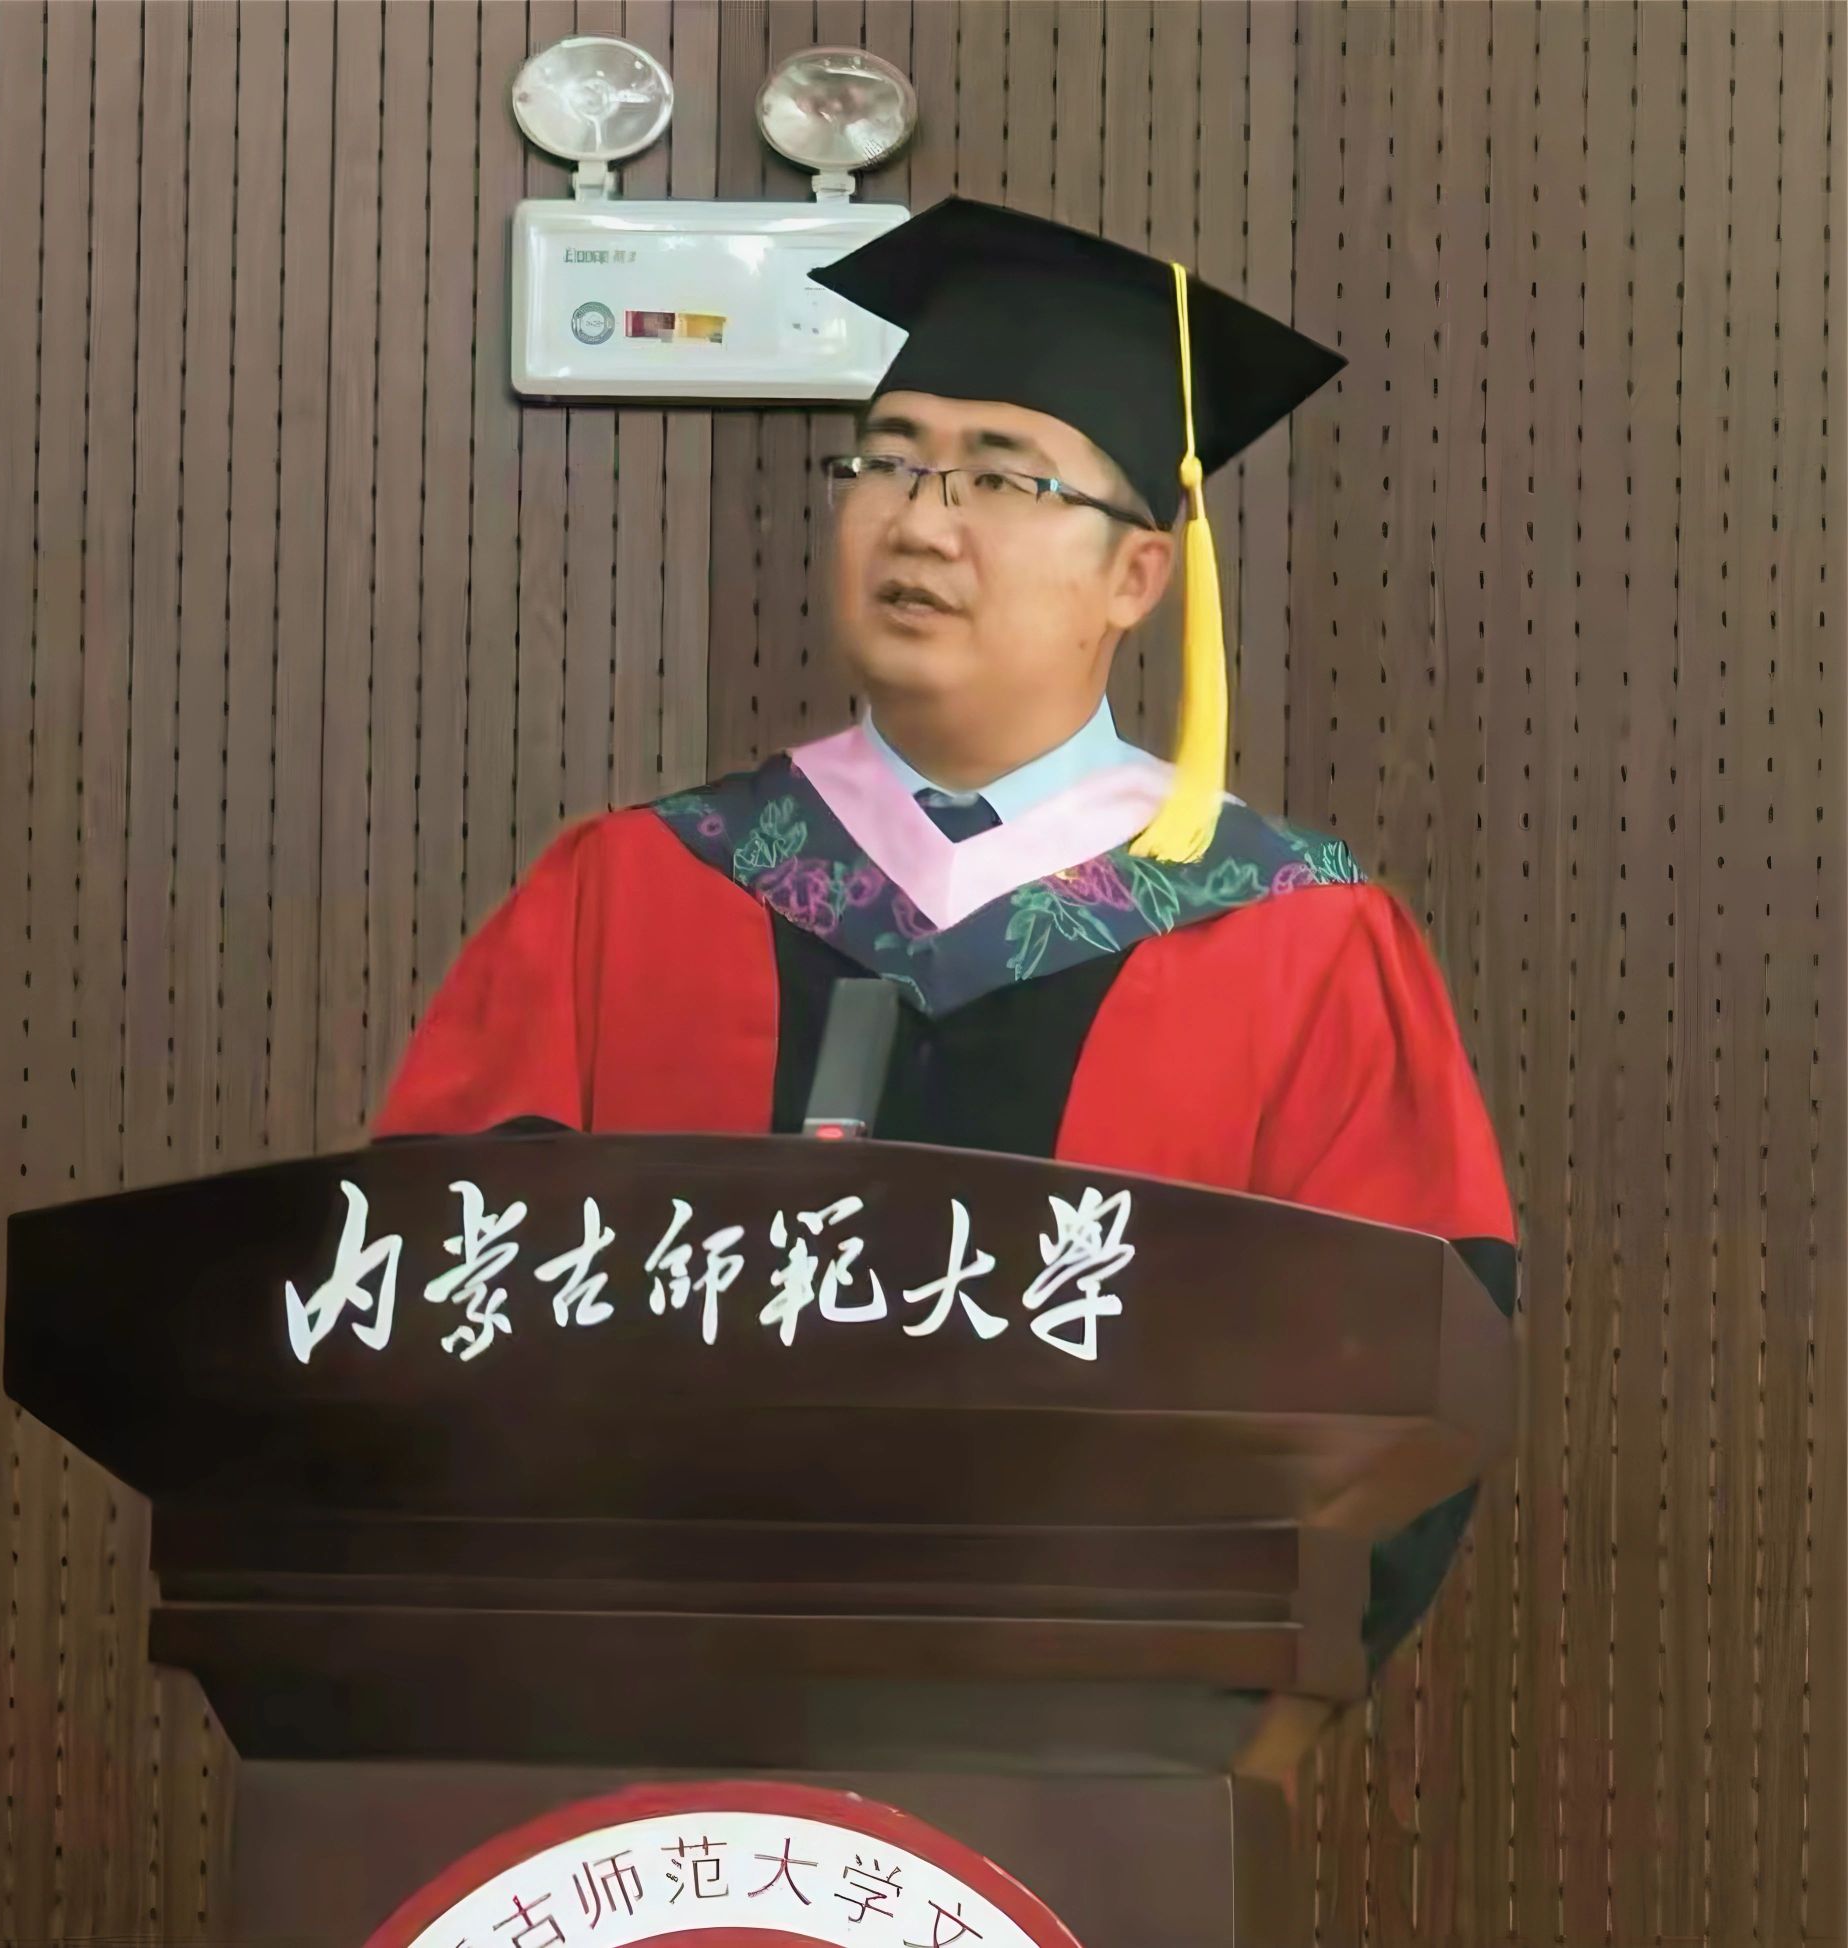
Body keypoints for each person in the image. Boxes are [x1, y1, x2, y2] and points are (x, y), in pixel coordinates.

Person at [378, 198, 1515, 1665]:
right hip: (642, 1708)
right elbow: (431, 1294)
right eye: (888, 462)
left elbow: (1404, 1385)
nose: (920, 521)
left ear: (1137, 575)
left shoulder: (1299, 940)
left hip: (1109, 1722)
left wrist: (1186, 1679)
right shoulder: (633, 891)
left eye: (1001, 477)